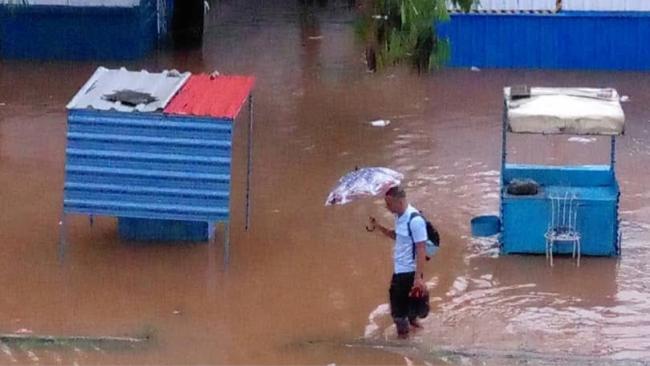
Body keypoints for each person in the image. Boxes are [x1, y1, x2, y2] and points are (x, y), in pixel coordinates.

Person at [368, 186, 427, 339]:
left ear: (399, 202)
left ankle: (403, 343)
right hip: (401, 270)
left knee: (398, 314)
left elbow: (421, 249)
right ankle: (416, 334)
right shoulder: (400, 217)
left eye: (389, 204)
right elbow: (398, 237)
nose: (387, 207)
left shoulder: (415, 221)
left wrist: (418, 278)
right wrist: (379, 227)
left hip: (407, 273)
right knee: (409, 312)